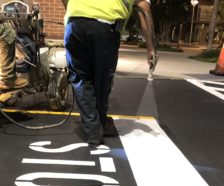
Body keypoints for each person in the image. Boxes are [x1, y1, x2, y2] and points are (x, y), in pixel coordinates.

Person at [61, 0, 156, 146]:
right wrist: (150, 48)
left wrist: (76, 13)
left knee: (80, 78)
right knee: (102, 80)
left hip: (74, 24)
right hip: (105, 27)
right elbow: (144, 10)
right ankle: (98, 126)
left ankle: (94, 127)